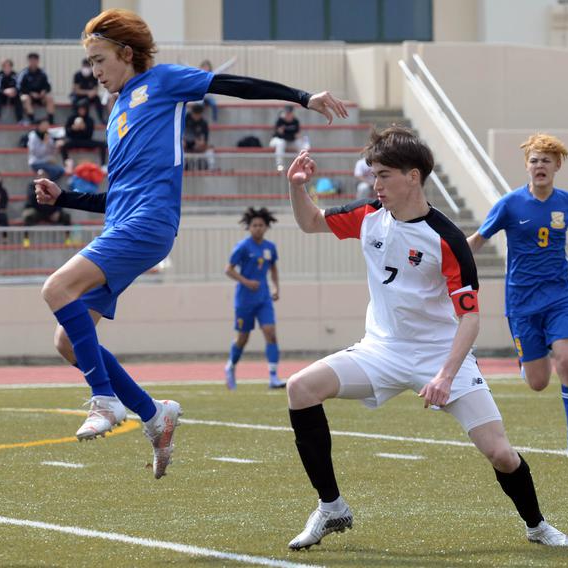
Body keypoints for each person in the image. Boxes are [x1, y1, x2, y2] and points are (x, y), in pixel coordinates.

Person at [31, 8, 346, 480]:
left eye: (99, 60)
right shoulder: (118, 109)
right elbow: (117, 196)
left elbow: (233, 84)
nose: (94, 72)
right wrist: (67, 197)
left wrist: (302, 97)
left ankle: (105, 400)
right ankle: (154, 415)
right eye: (91, 63)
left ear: (125, 53)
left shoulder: (162, 82)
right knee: (68, 342)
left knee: (56, 291)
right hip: (124, 223)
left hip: (149, 224)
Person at [281, 127, 568, 550]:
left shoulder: (448, 239)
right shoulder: (368, 217)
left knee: (500, 454)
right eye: (373, 175)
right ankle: (331, 507)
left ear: (413, 176)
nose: (375, 184)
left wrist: (443, 375)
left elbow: (470, 321)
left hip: (442, 356)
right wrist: (297, 187)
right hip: (380, 350)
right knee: (300, 388)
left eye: (383, 175)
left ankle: (537, 526)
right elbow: (310, 221)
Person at [466, 133, 568, 458]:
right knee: (537, 382)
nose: (539, 165)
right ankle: (528, 359)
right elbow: (477, 240)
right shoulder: (510, 204)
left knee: (567, 360)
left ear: (557, 165)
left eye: (546, 159)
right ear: (527, 166)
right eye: (534, 160)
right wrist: (450, 255)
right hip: (521, 302)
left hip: (559, 296)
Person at [224, 207, 283, 390]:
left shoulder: (270, 248)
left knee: (270, 333)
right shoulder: (242, 247)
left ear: (266, 227)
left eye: (261, 225)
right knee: (243, 338)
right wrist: (246, 281)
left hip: (263, 298)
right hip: (245, 300)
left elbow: (273, 268)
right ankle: (230, 366)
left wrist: (275, 287)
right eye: (254, 225)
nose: (258, 228)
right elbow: (229, 270)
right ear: (249, 227)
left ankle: (273, 376)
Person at [59, 99, 107, 165]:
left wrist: (84, 128)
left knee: (103, 144)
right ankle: (67, 164)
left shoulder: (90, 120)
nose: (82, 111)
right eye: (80, 109)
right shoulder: (71, 118)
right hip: (74, 141)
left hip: (85, 141)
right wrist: (73, 129)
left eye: (83, 109)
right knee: (63, 146)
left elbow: (89, 135)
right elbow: (67, 133)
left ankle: (103, 165)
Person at [270, 105, 309, 171]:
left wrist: (291, 135)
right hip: (276, 140)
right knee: (281, 143)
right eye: (286, 113)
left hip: (290, 141)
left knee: (300, 144)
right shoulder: (280, 120)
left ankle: (301, 165)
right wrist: (290, 135)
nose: (288, 115)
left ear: (292, 113)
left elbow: (297, 135)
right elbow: (280, 135)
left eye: (289, 113)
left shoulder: (295, 121)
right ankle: (280, 164)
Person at [18, 53, 55, 124]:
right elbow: (20, 87)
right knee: (25, 98)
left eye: (35, 60)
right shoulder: (23, 73)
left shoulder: (43, 73)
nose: (33, 62)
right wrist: (30, 93)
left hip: (41, 97)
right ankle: (32, 120)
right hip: (29, 96)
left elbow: (48, 86)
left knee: (50, 98)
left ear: (38, 61)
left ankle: (51, 121)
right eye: (31, 60)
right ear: (28, 61)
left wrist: (44, 91)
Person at [28, 117, 64, 181]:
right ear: (39, 125)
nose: (46, 126)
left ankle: (47, 186)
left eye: (47, 124)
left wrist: (57, 146)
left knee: (61, 170)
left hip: (47, 162)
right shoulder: (33, 136)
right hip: (37, 162)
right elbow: (36, 154)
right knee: (57, 171)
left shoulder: (48, 134)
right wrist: (44, 143)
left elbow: (52, 150)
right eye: (44, 124)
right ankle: (45, 186)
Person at [71, 58, 106, 123]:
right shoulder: (77, 75)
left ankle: (101, 119)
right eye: (85, 66)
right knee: (74, 100)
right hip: (79, 96)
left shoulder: (94, 75)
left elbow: (95, 89)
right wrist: (88, 93)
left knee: (97, 99)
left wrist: (92, 93)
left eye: (88, 66)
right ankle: (75, 119)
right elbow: (76, 90)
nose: (86, 68)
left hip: (90, 96)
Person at [0, 58, 23, 123]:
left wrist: (14, 90)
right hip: (1, 95)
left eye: (8, 66)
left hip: (12, 96)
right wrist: (5, 91)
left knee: (18, 97)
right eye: (4, 66)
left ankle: (20, 119)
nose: (7, 68)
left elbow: (19, 87)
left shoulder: (15, 75)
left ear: (11, 67)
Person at [182, 103, 213, 171]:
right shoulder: (185, 119)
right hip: (185, 144)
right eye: (195, 114)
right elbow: (180, 133)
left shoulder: (203, 123)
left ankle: (210, 169)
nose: (196, 117)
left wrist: (201, 143)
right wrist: (183, 140)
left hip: (196, 145)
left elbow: (205, 140)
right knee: (180, 147)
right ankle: (182, 168)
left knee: (209, 150)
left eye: (198, 115)